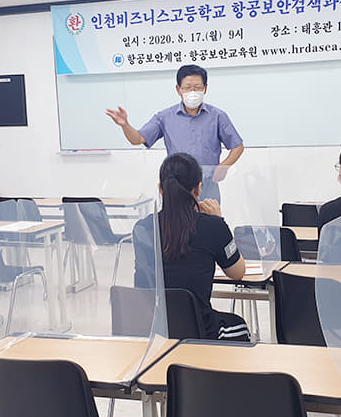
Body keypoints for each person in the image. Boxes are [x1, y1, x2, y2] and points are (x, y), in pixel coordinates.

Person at [133, 152, 250, 341]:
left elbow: (141, 286)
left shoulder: (143, 228)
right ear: (199, 188)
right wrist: (219, 222)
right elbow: (237, 272)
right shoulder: (213, 226)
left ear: (160, 189)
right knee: (240, 327)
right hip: (202, 331)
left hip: (155, 333)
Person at [106, 64, 244, 202]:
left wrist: (224, 167)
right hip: (176, 184)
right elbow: (138, 139)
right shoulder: (165, 117)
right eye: (187, 88)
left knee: (210, 216)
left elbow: (238, 146)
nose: (193, 92)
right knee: (176, 216)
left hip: (207, 183)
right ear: (178, 89)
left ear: (205, 89)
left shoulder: (218, 116)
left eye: (197, 88)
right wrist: (125, 125)